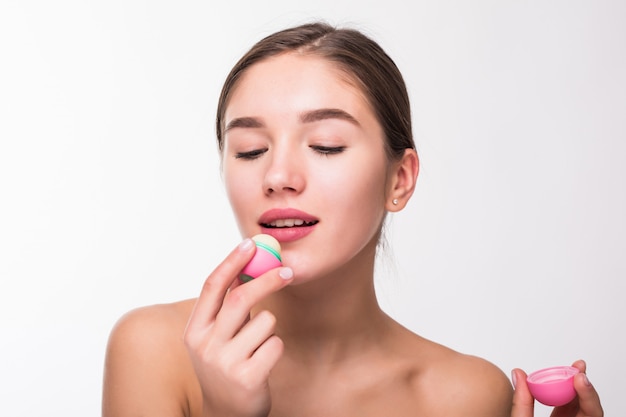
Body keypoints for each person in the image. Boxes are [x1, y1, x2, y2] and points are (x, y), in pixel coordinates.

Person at [102, 22, 603, 417]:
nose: (277, 176)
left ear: (399, 180)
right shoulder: (155, 352)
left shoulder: (467, 396)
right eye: (250, 150)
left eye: (326, 145)